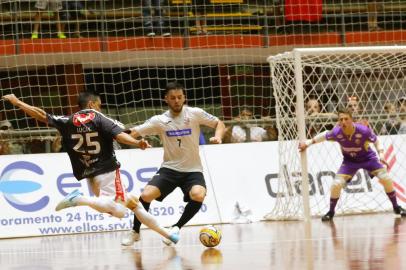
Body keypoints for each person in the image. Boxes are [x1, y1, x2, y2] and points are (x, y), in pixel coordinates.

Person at [2, 92, 179, 244]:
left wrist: (17, 102)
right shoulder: (98, 117)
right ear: (91, 104)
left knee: (134, 204)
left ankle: (168, 234)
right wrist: (137, 143)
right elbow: (120, 136)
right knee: (119, 211)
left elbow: (41, 115)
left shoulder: (68, 120)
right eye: (99, 105)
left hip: (89, 175)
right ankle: (79, 199)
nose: (100, 109)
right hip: (108, 170)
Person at [121, 81, 225, 246]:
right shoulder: (159, 120)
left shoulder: (195, 113)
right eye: (172, 98)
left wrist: (218, 136)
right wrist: (125, 137)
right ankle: (135, 231)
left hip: (193, 170)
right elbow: (134, 132)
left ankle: (176, 227)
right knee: (146, 195)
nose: (176, 101)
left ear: (184, 98)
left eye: (179, 97)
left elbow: (219, 123)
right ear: (166, 100)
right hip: (169, 169)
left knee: (198, 194)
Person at [298, 107, 406, 221]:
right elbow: (324, 135)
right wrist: (308, 143)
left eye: (346, 119)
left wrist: (382, 155)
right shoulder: (337, 132)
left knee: (386, 179)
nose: (343, 122)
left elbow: (376, 141)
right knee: (336, 185)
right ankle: (330, 212)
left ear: (351, 120)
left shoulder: (363, 130)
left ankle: (396, 207)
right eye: (341, 119)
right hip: (350, 161)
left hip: (368, 158)